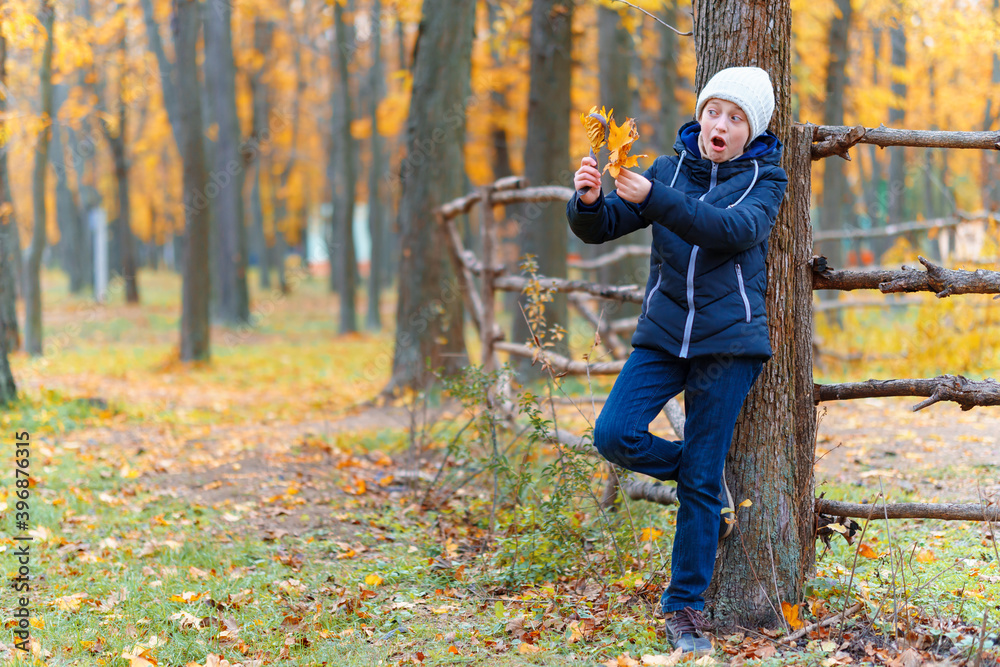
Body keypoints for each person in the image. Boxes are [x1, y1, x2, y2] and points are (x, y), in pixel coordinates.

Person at [566, 66, 788, 658]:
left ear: (750, 130)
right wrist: (587, 202)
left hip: (728, 345)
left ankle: (684, 609)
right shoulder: (667, 169)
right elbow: (604, 226)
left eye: (735, 118)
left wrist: (657, 199)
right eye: (714, 112)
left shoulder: (765, 179)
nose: (721, 125)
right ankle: (702, 483)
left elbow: (731, 229)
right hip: (663, 337)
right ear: (700, 115)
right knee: (614, 434)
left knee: (700, 477)